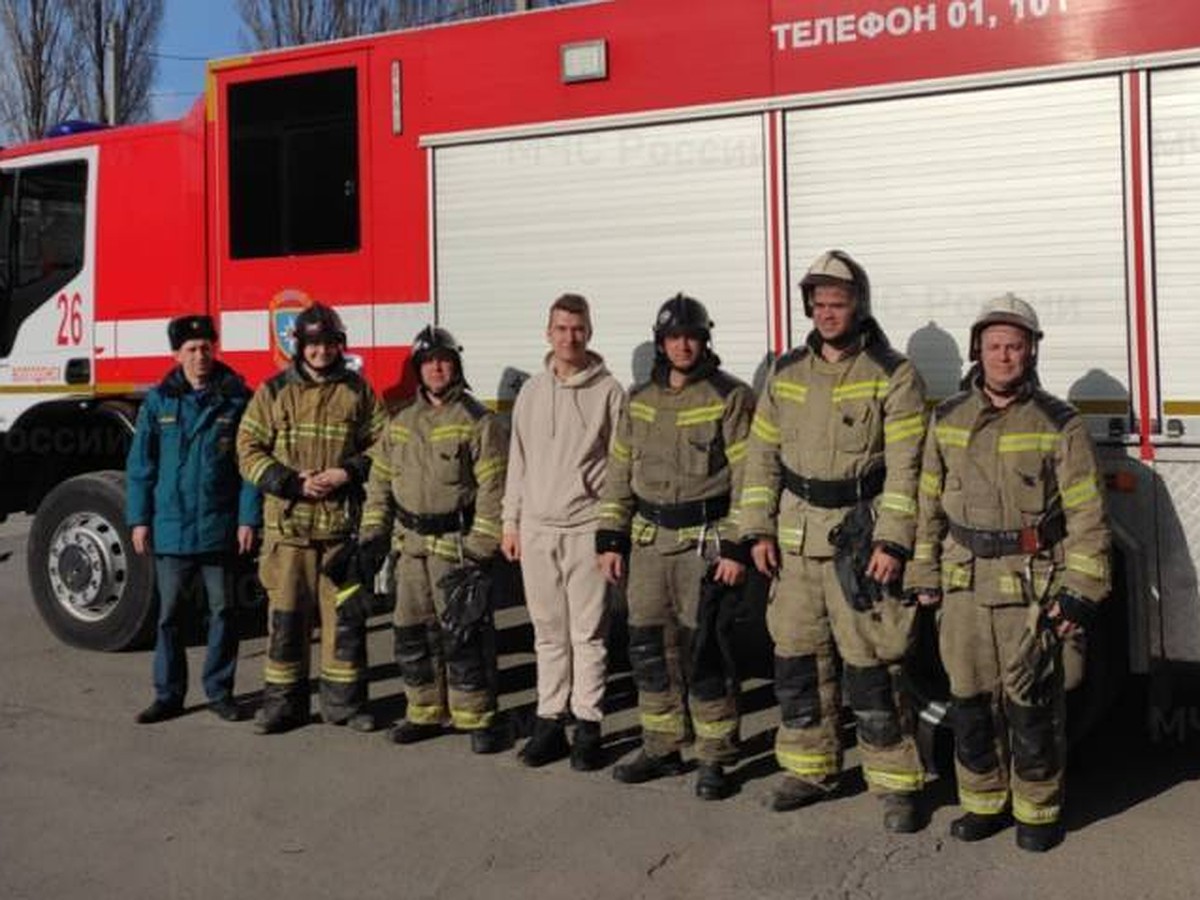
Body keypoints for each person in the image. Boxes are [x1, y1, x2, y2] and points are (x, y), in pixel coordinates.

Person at [906, 294, 1110, 852]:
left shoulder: (1059, 423)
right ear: (978, 350)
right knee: (969, 704)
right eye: (994, 345)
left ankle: (1039, 812)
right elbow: (926, 503)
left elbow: (1088, 514)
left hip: (1031, 587)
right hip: (964, 586)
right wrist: (922, 570)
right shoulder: (945, 420)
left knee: (1034, 707)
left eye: (1015, 346)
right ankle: (983, 804)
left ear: (1031, 352)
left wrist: (1080, 593)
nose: (1004, 355)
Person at [741, 250, 928, 832]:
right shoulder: (786, 373)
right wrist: (755, 529)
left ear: (858, 306)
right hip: (794, 543)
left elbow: (907, 471)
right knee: (797, 662)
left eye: (837, 303)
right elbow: (761, 458)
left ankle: (894, 782)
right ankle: (809, 769)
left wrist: (893, 541)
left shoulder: (893, 374)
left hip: (859, 541)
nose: (827, 313)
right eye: (818, 304)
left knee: (871, 668)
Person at [596, 293, 755, 800]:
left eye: (692, 336)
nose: (683, 346)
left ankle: (716, 756)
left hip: (703, 547)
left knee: (705, 651)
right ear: (660, 343)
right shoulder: (638, 400)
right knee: (647, 650)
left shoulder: (729, 396)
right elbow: (619, 473)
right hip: (646, 546)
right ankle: (662, 745)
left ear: (704, 340)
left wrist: (736, 547)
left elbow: (749, 477)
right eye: (673, 337)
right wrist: (610, 536)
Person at [236, 303, 384, 735]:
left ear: (340, 345)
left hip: (340, 532)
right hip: (289, 533)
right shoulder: (273, 391)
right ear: (299, 346)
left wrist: (347, 472)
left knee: (346, 624)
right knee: (286, 623)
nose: (321, 352)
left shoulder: (359, 392)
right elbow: (247, 450)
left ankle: (345, 707)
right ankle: (283, 707)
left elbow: (386, 446)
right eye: (313, 344)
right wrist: (290, 483)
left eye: (329, 343)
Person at [360, 326, 509, 754]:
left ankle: (476, 716)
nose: (437, 368)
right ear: (418, 370)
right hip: (410, 548)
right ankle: (423, 711)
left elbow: (493, 490)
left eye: (444, 360)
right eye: (428, 362)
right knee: (411, 632)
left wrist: (481, 548)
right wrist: (373, 535)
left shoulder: (477, 421)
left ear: (455, 365)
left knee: (464, 634)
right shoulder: (401, 422)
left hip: (457, 547)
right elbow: (379, 484)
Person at [501, 293, 624, 770]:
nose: (569, 337)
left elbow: (620, 467)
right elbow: (519, 462)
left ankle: (588, 725)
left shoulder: (609, 391)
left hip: (585, 528)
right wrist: (511, 522)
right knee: (548, 632)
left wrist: (612, 532)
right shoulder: (531, 392)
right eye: (560, 329)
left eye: (577, 329)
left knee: (588, 633)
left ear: (589, 332)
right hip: (536, 530)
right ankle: (550, 720)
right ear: (547, 333)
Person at [127, 315, 260, 724]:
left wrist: (247, 520)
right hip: (169, 529)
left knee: (223, 613)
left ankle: (220, 692)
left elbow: (249, 466)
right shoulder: (159, 401)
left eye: (206, 348)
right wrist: (139, 519)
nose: (200, 356)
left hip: (219, 528)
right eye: (191, 349)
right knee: (168, 617)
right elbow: (141, 465)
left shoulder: (238, 399)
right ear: (176, 354)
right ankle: (168, 695)